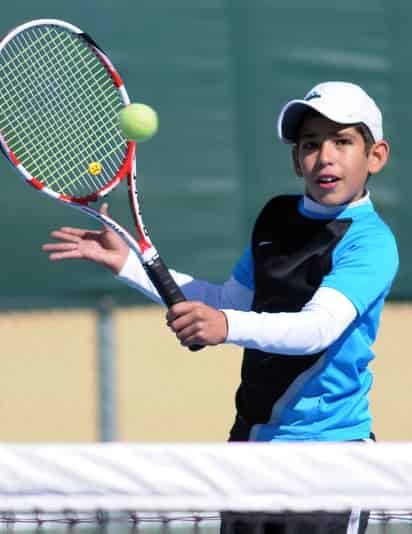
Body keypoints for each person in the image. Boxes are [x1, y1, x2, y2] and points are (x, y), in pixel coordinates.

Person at [43, 81, 398, 534]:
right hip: (249, 451)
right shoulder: (275, 217)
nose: (325, 155)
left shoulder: (371, 243)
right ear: (296, 159)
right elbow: (227, 301)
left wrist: (225, 326)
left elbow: (319, 328)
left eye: (343, 141)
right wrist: (129, 265)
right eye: (311, 143)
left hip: (330, 459)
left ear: (375, 156)